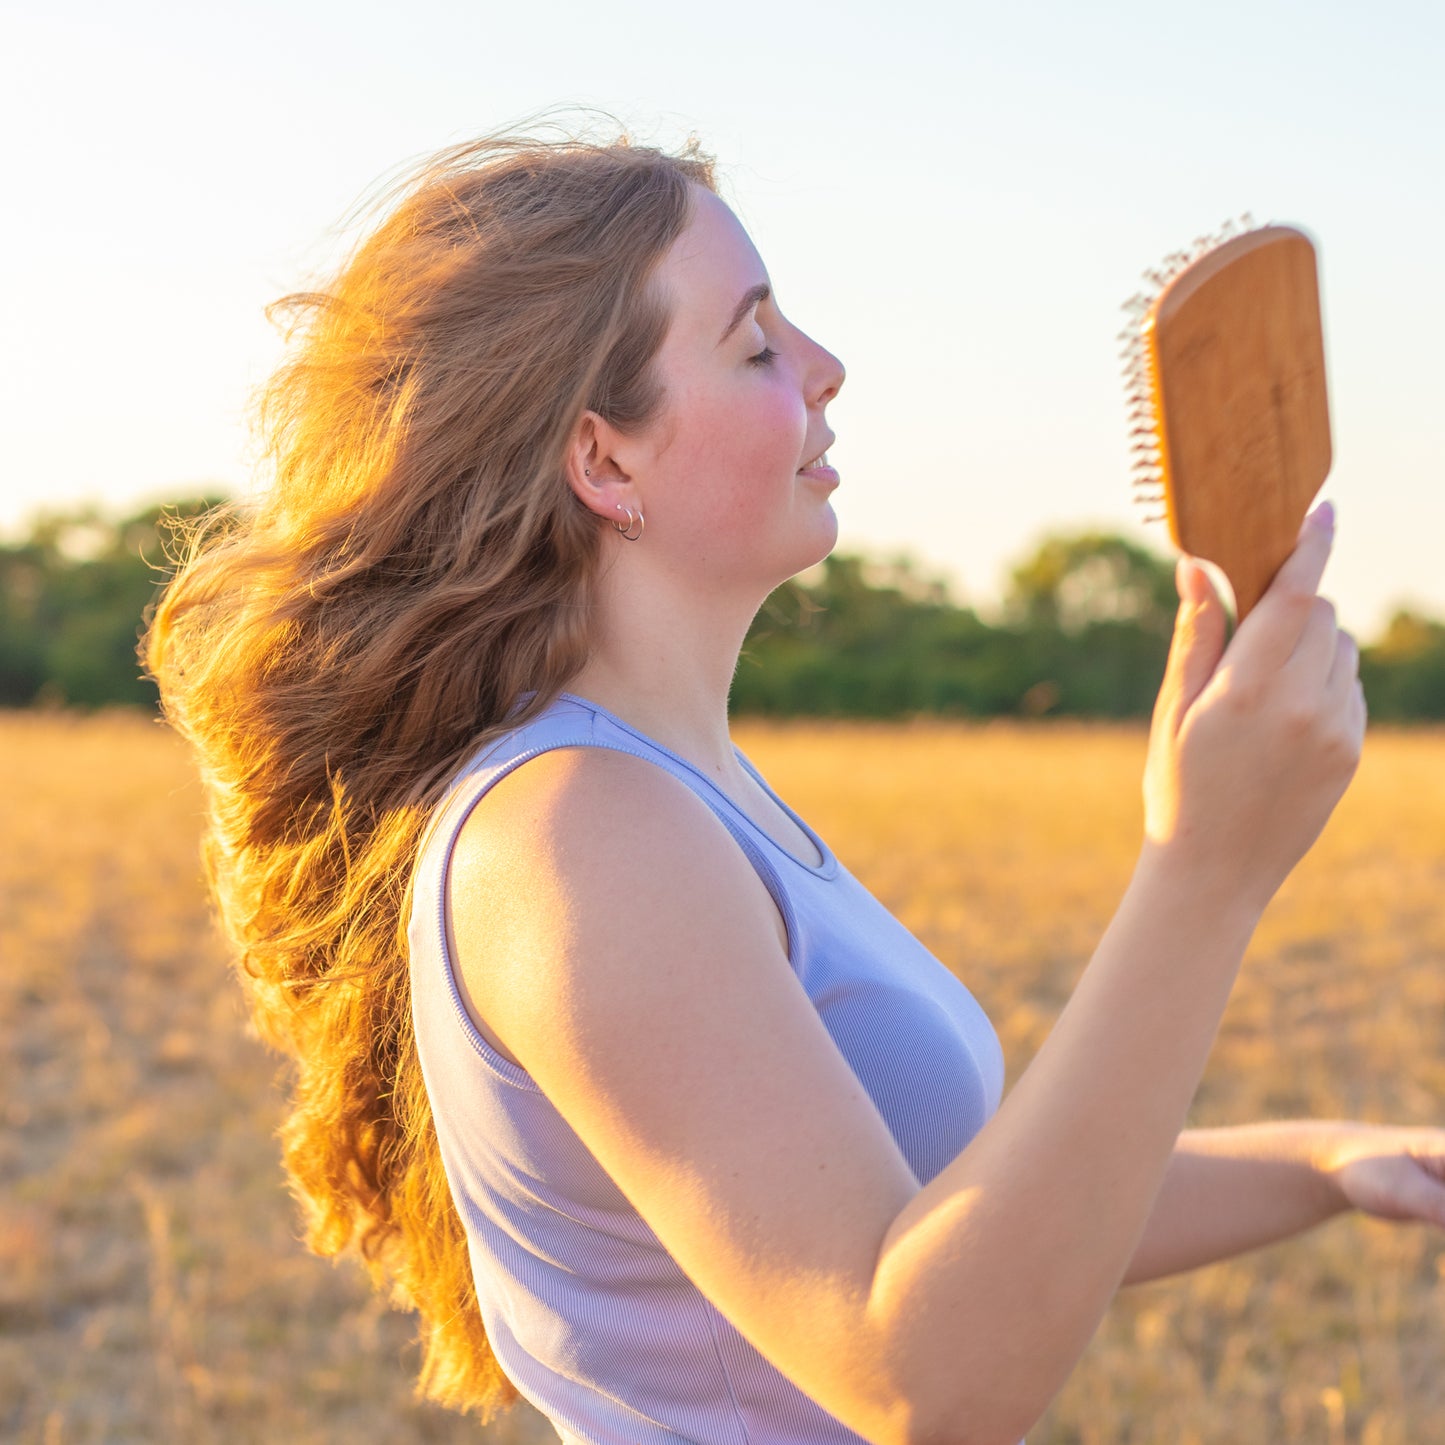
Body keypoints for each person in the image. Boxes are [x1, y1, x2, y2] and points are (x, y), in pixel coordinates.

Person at [146, 125, 1445, 1445]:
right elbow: (922, 1371)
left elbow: (967, 1213)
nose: (826, 368)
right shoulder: (573, 832)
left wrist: (1326, 1158)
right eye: (756, 345)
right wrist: (1203, 871)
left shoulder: (680, 794)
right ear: (604, 461)